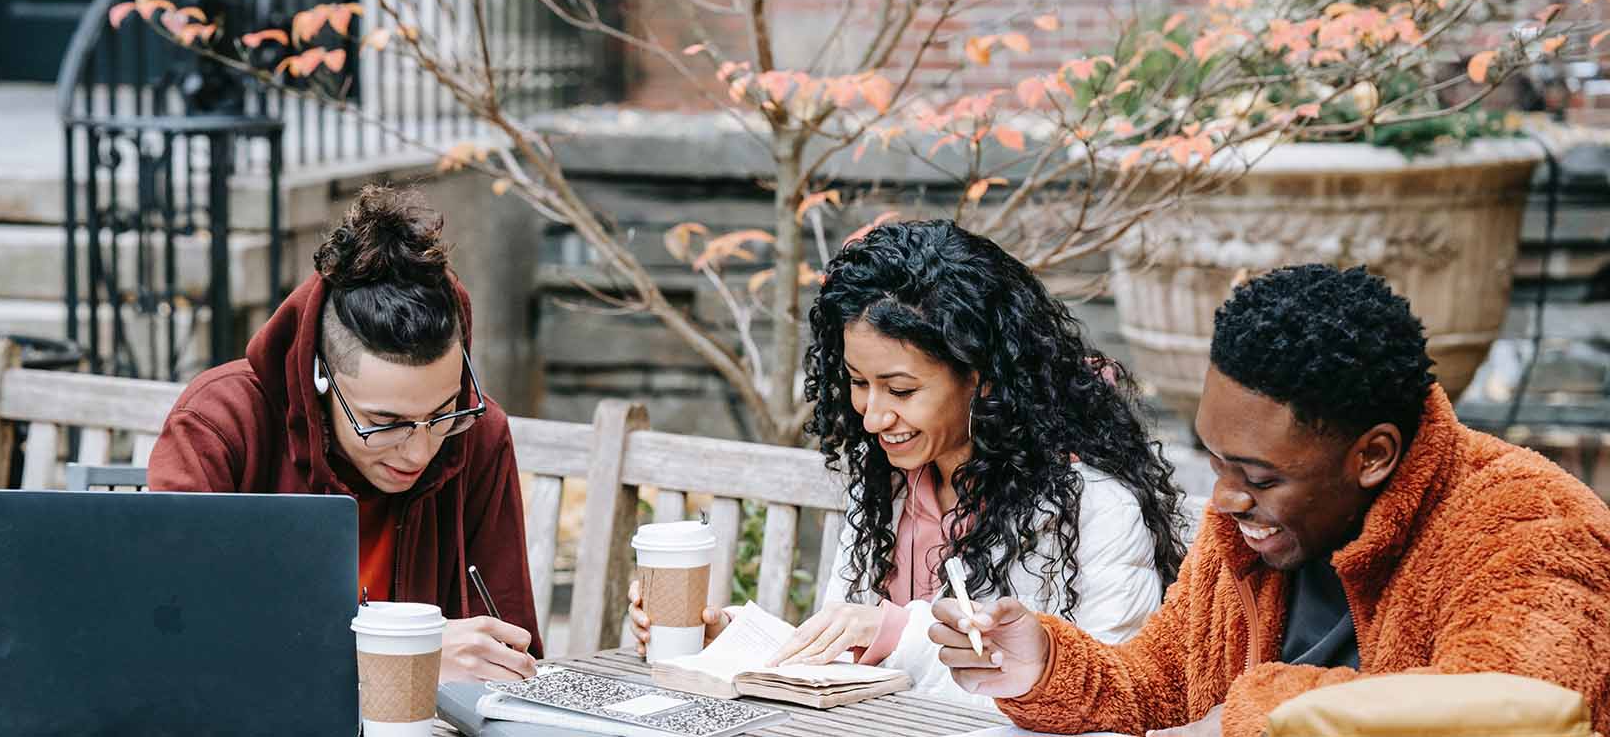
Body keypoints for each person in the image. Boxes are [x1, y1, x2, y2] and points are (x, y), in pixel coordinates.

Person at [931, 264, 1610, 736]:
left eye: (1259, 477)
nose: (1224, 498)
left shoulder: (1530, 524)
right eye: (1216, 460)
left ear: (1372, 455)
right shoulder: (1249, 531)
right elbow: (1162, 690)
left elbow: (1506, 715)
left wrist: (1251, 718)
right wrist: (1042, 666)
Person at [626, 219, 1190, 703]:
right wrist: (725, 642)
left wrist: (899, 633)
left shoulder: (1093, 509)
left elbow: (1107, 701)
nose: (871, 418)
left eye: (899, 390)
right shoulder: (884, 488)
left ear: (983, 379)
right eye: (857, 383)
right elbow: (846, 662)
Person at [149, 185, 541, 683]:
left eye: (443, 413)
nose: (419, 450)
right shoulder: (221, 425)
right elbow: (171, 636)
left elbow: (517, 652)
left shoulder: (479, 434)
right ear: (319, 379)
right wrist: (403, 659)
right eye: (384, 423)